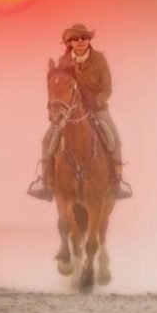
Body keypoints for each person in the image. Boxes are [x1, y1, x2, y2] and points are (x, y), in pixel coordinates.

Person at [27, 23, 132, 201]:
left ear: (89, 40)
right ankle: (46, 182)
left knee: (114, 137)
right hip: (69, 111)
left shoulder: (99, 60)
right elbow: (58, 87)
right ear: (70, 42)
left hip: (97, 108)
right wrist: (60, 108)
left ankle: (117, 181)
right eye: (75, 39)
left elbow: (107, 88)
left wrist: (97, 102)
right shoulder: (63, 62)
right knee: (47, 140)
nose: (81, 41)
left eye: (84, 38)